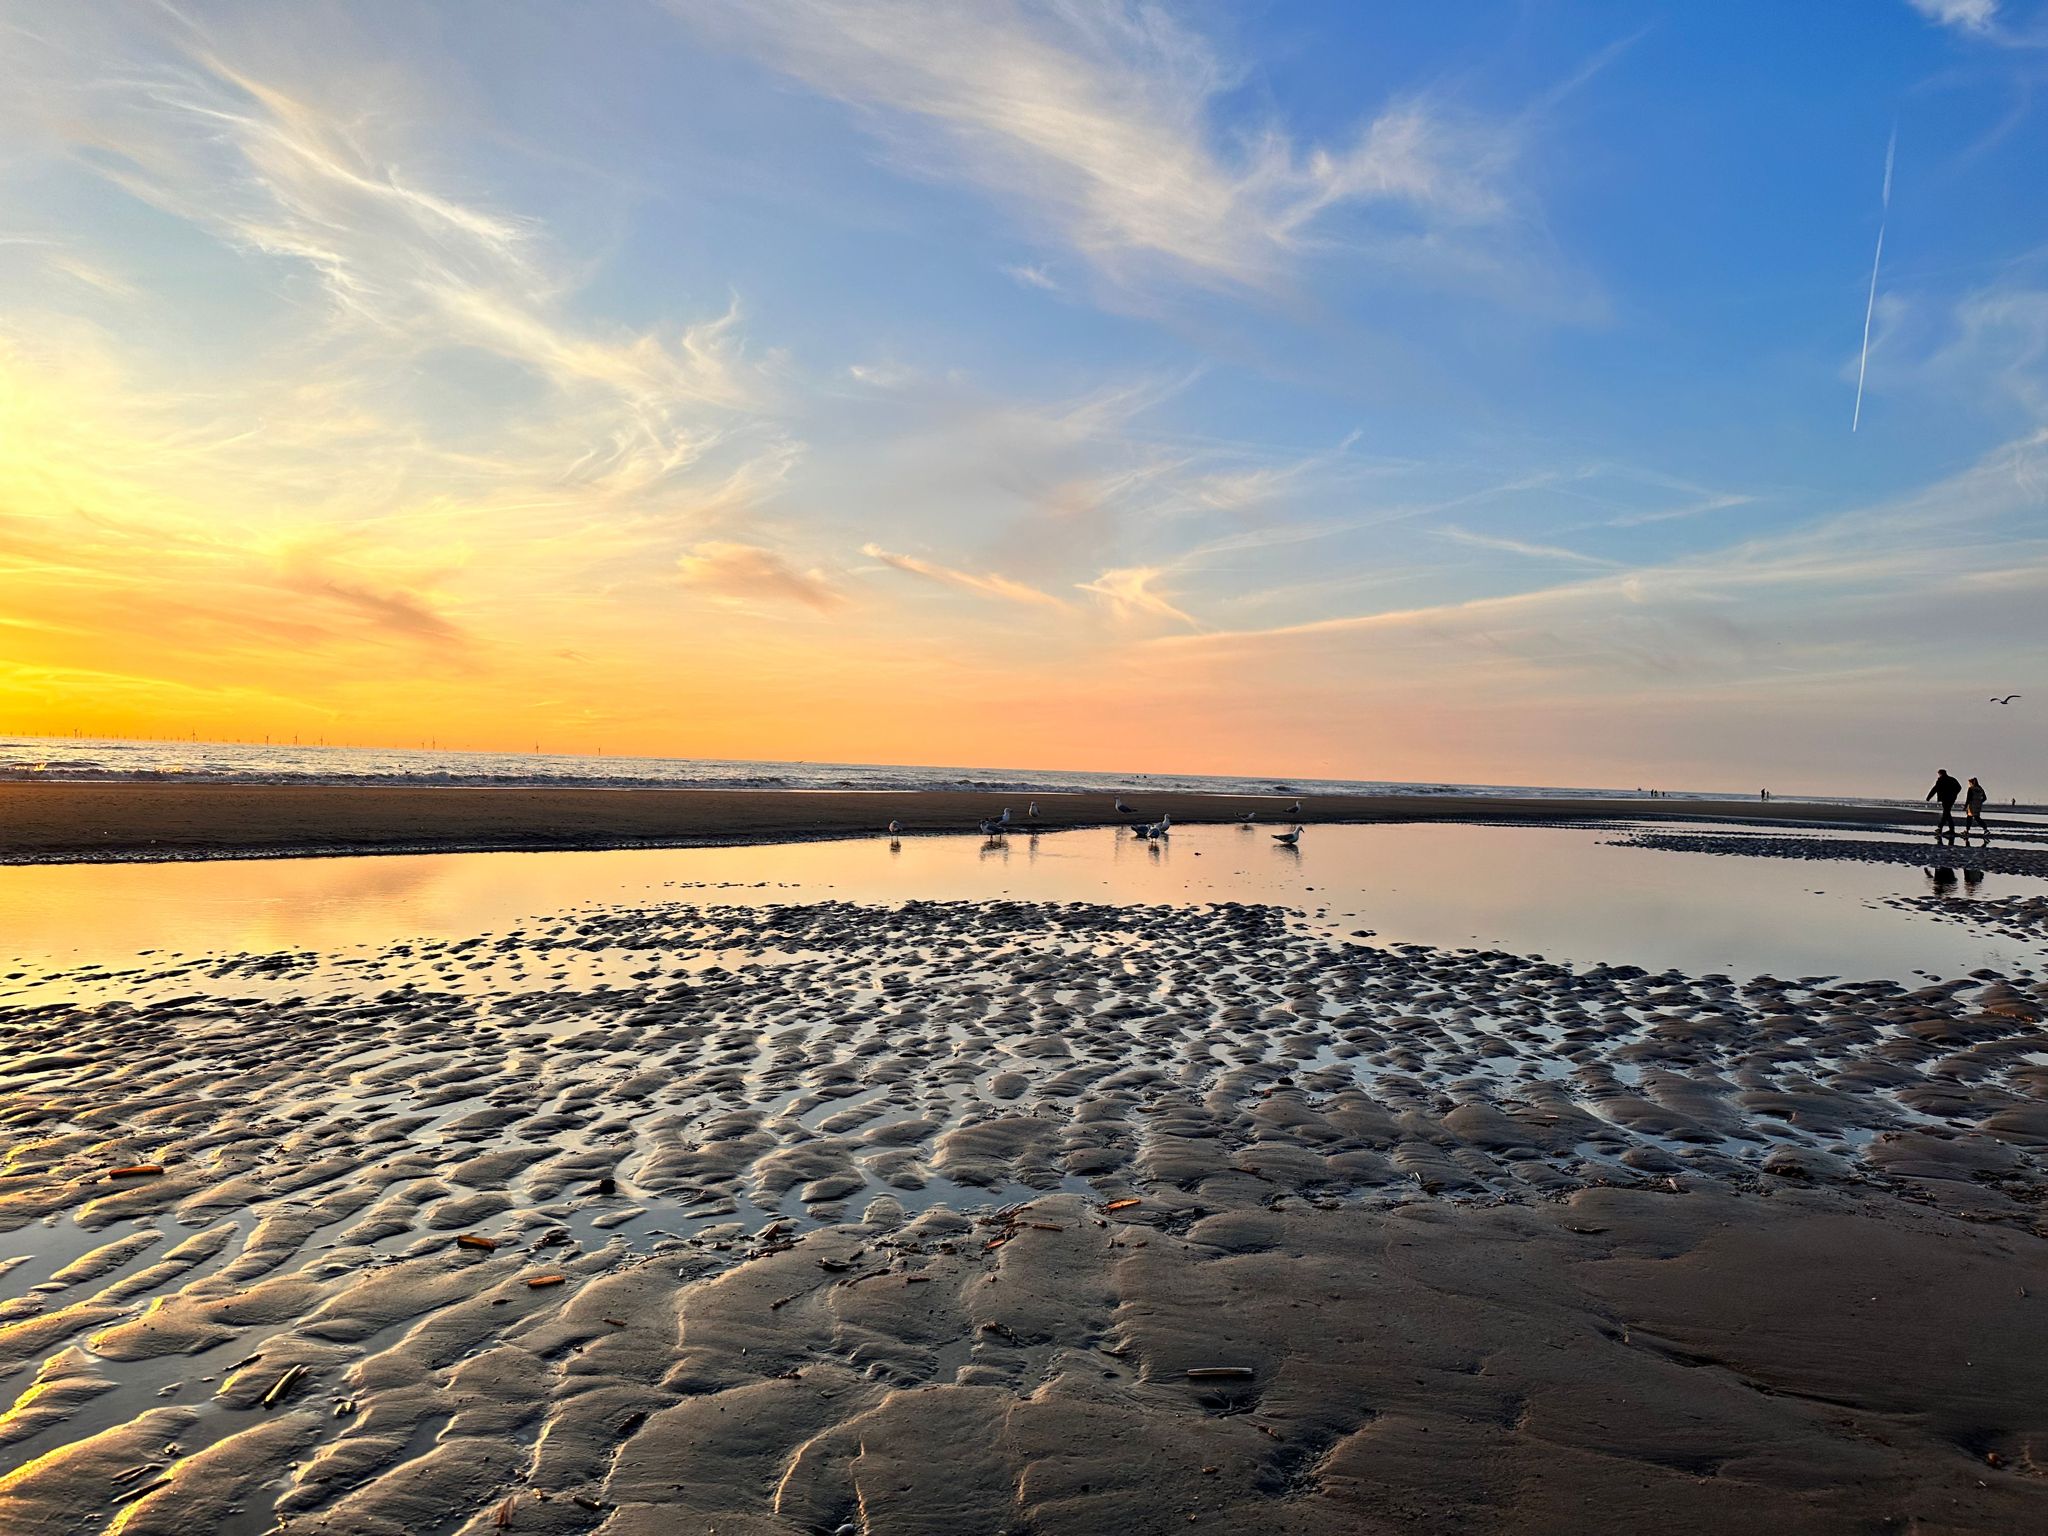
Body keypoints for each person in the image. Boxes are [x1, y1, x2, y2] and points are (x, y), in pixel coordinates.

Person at [1926, 768, 1961, 841]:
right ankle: (1945, 828)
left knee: (1946, 813)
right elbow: (1959, 788)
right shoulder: (1952, 779)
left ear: (1940, 774)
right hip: (1951, 799)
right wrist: (1954, 794)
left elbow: (1935, 789)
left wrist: (1928, 797)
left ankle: (1943, 828)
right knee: (1946, 813)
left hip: (1945, 798)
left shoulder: (1941, 780)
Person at [1963, 776, 1990, 843]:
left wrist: (1965, 806)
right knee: (1977, 817)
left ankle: (1967, 830)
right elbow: (1984, 798)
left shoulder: (1971, 789)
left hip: (1972, 805)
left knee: (1970, 817)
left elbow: (1968, 798)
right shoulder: (1980, 789)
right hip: (1978, 805)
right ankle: (1985, 829)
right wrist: (1979, 802)